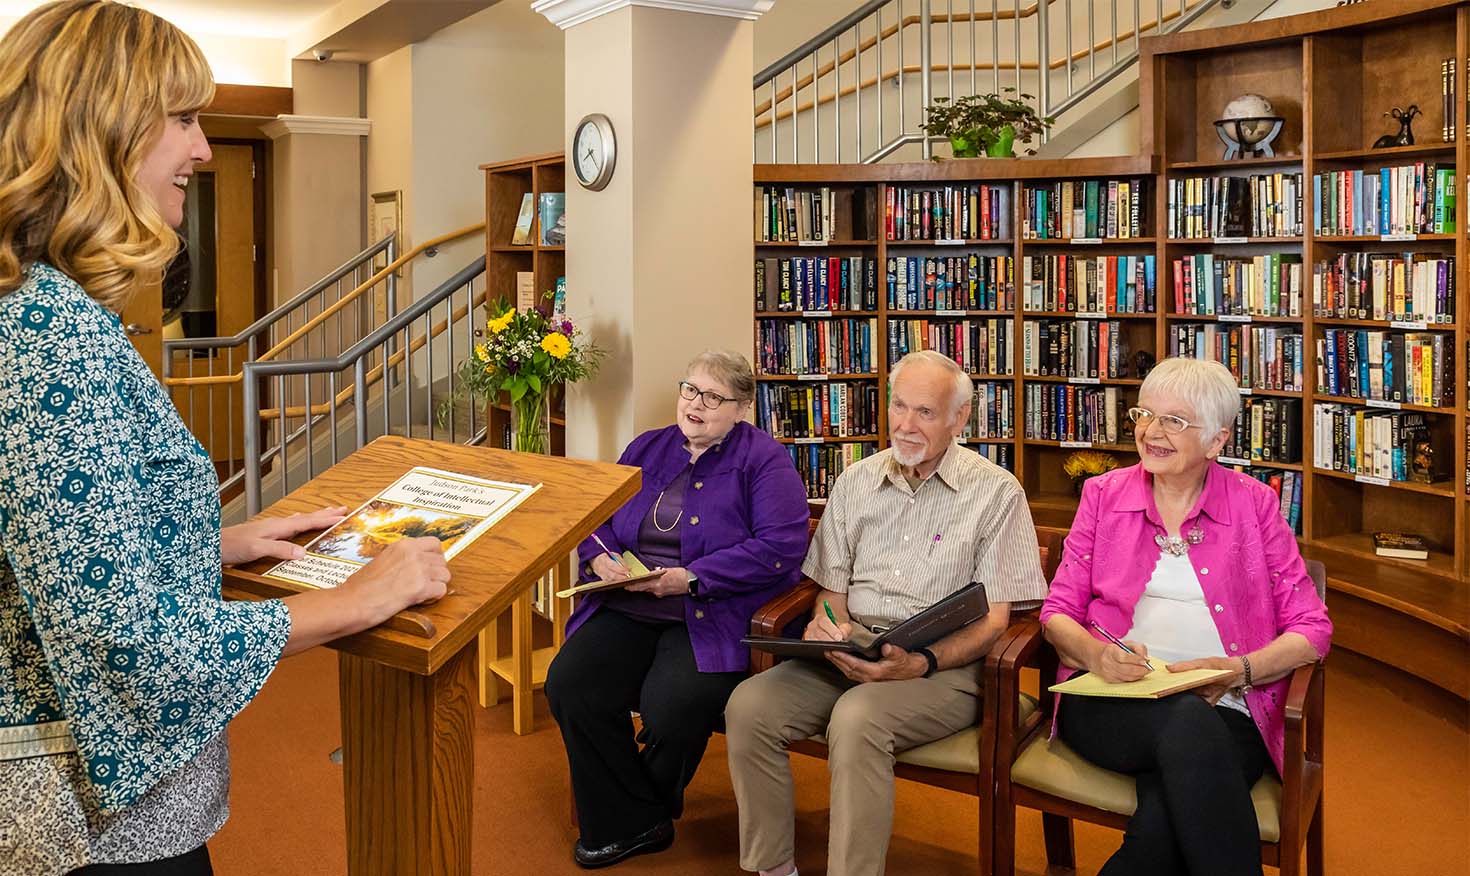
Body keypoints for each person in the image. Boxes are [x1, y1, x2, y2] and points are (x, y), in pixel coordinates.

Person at [0, 4, 449, 874]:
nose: (202, 149)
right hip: (90, 827)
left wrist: (213, 541)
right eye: (182, 117)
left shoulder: (39, 307)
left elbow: (53, 551)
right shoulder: (50, 332)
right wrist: (344, 603)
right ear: (102, 125)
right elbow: (120, 634)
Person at [724, 349, 1048, 876]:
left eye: (924, 412)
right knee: (748, 705)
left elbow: (994, 622)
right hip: (852, 650)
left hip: (946, 668)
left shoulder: (995, 493)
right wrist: (827, 626)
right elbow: (831, 590)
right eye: (899, 406)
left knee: (858, 719)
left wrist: (920, 663)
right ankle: (772, 868)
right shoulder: (856, 480)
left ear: (958, 418)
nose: (905, 424)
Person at [1039, 356, 1332, 876]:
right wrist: (1097, 656)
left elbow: (1312, 629)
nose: (1152, 431)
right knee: (1187, 723)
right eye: (1145, 414)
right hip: (1109, 702)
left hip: (1230, 710)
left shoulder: (1255, 505)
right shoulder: (1103, 495)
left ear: (1218, 441)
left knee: (1161, 825)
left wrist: (1237, 672)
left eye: (1174, 420)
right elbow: (1058, 612)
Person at [544, 350, 809, 870]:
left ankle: (636, 813)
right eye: (690, 389)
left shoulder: (765, 460)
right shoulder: (647, 446)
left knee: (672, 707)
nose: (696, 404)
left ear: (742, 408)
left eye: (714, 397)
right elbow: (595, 516)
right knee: (570, 683)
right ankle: (638, 818)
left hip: (712, 614)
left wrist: (692, 578)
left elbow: (780, 546)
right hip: (628, 605)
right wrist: (598, 556)